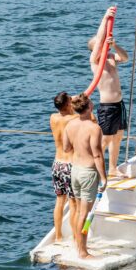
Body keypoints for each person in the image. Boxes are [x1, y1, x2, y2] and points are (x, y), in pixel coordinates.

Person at [63, 93, 107, 260]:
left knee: (79, 210)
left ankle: (79, 243)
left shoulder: (70, 125)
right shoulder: (94, 128)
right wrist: (104, 178)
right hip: (88, 172)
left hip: (75, 171)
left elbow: (66, 148)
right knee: (84, 213)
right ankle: (82, 251)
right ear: (89, 107)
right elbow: (97, 155)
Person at [89, 7, 129, 177]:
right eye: (102, 45)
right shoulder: (95, 61)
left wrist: (114, 45)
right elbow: (99, 41)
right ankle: (93, 167)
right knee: (105, 139)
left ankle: (113, 168)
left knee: (118, 137)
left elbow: (125, 57)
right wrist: (105, 19)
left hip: (119, 105)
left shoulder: (111, 58)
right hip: (107, 106)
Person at [50, 91, 79, 246]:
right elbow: (86, 114)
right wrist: (74, 101)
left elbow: (65, 109)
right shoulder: (73, 118)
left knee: (59, 201)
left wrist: (67, 102)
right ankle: (75, 238)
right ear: (68, 105)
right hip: (70, 165)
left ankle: (58, 236)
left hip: (57, 164)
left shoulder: (53, 118)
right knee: (73, 203)